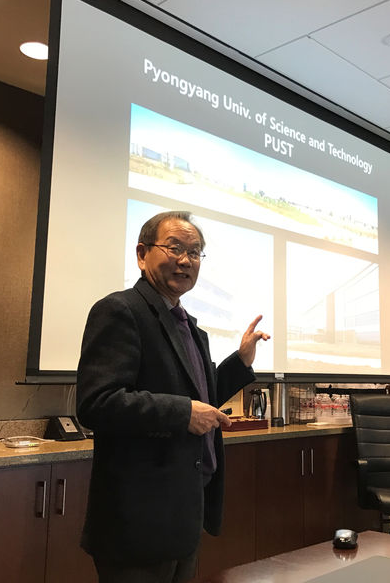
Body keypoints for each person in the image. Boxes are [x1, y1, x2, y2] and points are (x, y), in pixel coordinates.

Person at [76, 210, 270, 583]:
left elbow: (200, 394)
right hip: (138, 523)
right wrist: (181, 413)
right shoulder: (120, 310)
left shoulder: (190, 327)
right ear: (141, 253)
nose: (185, 260)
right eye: (175, 247)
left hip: (183, 514)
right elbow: (97, 402)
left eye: (195, 252)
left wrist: (240, 362)